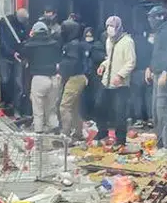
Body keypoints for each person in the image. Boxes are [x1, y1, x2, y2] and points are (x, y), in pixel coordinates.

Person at [97, 15, 137, 148]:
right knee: (101, 107)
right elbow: (110, 58)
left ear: (119, 27)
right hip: (107, 81)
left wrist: (120, 75)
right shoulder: (109, 40)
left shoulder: (127, 41)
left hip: (120, 84)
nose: (110, 29)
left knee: (120, 113)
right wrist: (103, 65)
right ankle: (102, 133)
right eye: (108, 26)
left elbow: (131, 62)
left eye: (113, 26)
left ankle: (120, 140)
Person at [146, 5, 167, 149]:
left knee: (163, 109)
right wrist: (150, 68)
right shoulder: (160, 31)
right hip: (157, 73)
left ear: (161, 17)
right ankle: (160, 143)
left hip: (165, 75)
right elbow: (158, 54)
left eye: (152, 17)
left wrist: (165, 72)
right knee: (155, 110)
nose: (150, 20)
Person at [17, 21, 62, 133]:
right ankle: (56, 131)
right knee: (51, 109)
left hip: (39, 79)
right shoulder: (54, 43)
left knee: (38, 110)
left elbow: (22, 52)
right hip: (54, 78)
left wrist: (30, 38)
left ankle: (38, 134)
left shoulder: (31, 45)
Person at [58, 19, 88, 140]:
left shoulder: (73, 45)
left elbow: (72, 62)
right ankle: (78, 133)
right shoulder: (75, 43)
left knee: (64, 106)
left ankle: (65, 134)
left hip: (74, 77)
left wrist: (60, 67)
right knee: (74, 108)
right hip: (78, 77)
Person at [0, 8, 29, 116]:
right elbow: (3, 41)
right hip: (5, 55)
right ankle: (7, 102)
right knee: (5, 80)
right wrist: (12, 53)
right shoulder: (5, 21)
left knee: (18, 84)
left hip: (19, 57)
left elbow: (25, 41)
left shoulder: (24, 24)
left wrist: (23, 54)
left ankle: (17, 108)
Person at [81, 26, 107, 133]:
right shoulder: (85, 46)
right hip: (89, 74)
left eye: (90, 35)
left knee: (97, 97)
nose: (89, 37)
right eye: (87, 35)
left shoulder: (99, 46)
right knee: (89, 97)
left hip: (95, 75)